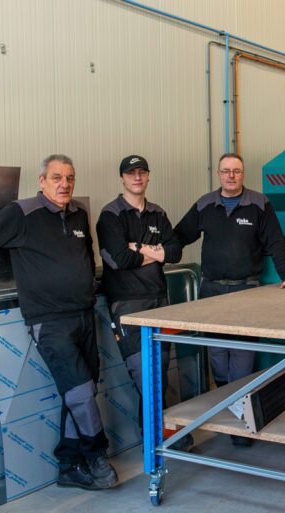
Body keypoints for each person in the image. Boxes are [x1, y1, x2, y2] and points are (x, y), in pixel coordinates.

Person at [0, 155, 118, 490]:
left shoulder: (79, 215)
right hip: (49, 322)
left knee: (81, 393)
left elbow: (86, 259)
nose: (64, 184)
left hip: (84, 316)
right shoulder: (21, 214)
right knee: (81, 392)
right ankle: (98, 458)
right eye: (56, 177)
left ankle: (69, 465)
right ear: (41, 181)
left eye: (69, 178)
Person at [173, 152, 285, 444]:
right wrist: (156, 254)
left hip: (247, 291)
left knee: (242, 360)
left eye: (237, 171)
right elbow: (179, 236)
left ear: (243, 175)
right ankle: (230, 412)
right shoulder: (205, 204)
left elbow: (275, 242)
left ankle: (243, 422)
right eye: (226, 171)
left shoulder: (259, 204)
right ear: (218, 174)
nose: (231, 175)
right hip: (212, 292)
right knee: (218, 356)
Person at [95, 155, 192, 450]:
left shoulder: (157, 213)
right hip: (127, 306)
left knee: (158, 372)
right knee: (144, 372)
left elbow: (175, 252)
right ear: (122, 178)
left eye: (142, 172)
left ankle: (152, 431)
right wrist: (156, 251)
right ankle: (157, 434)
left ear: (148, 177)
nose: (137, 178)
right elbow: (119, 260)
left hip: (160, 301)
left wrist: (138, 247)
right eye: (131, 173)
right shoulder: (110, 215)